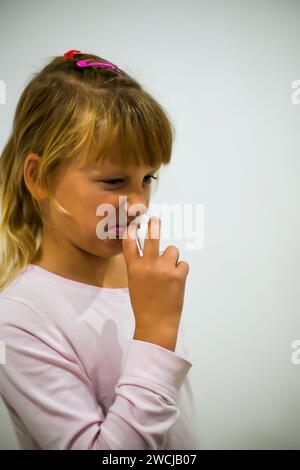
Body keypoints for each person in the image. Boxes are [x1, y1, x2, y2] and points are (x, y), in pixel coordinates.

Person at [0, 50, 198, 450]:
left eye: (148, 178)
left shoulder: (137, 273)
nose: (139, 202)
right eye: (113, 181)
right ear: (39, 177)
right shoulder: (18, 320)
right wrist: (156, 335)